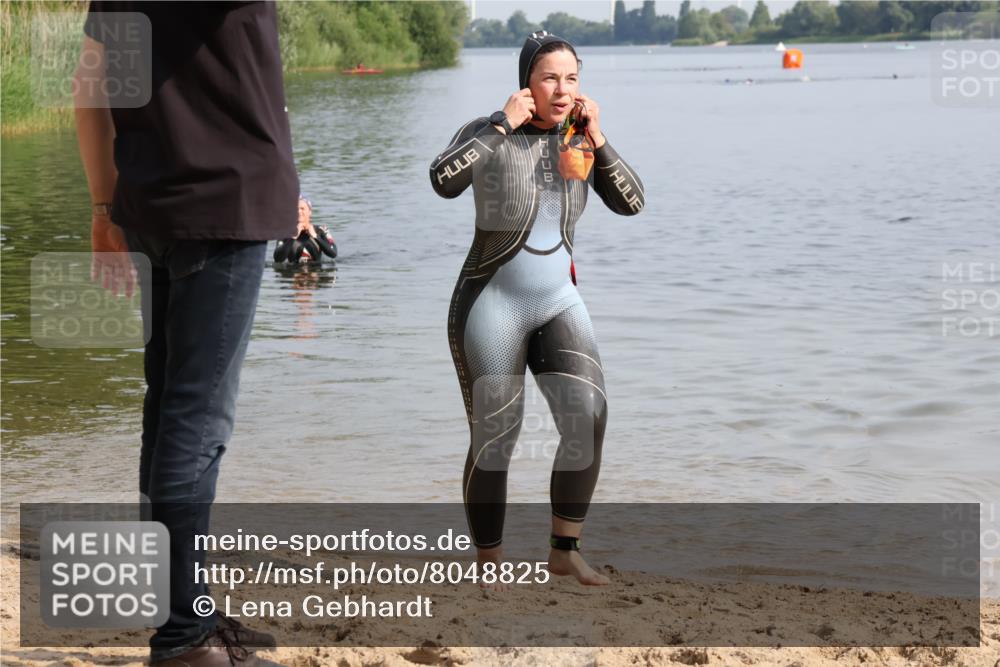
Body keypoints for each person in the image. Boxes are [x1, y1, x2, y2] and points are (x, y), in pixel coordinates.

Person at [75, 2, 297, 665]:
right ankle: (182, 634)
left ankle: (183, 607)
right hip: (222, 204)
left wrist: (101, 203)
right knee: (196, 423)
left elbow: (89, 91)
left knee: (169, 413)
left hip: (150, 205)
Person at [429, 31, 645, 589]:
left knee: (589, 412)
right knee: (497, 434)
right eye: (550, 77)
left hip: (557, 300)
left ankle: (564, 549)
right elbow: (442, 180)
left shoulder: (580, 141)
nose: (562, 89)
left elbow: (634, 203)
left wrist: (600, 137)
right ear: (527, 81)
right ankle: (489, 562)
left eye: (571, 78)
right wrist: (502, 125)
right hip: (490, 301)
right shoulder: (489, 131)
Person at [273, 196, 338, 264]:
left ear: (310, 212)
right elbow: (278, 259)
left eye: (302, 208)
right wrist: (293, 237)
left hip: (316, 272)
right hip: (293, 272)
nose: (299, 212)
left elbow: (333, 254)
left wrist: (315, 236)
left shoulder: (321, 230)